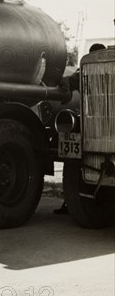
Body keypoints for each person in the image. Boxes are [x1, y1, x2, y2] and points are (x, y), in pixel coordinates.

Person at [54, 41, 106, 215]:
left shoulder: (84, 69)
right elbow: (68, 81)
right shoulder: (84, 72)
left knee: (73, 160)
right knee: (72, 156)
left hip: (93, 123)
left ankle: (70, 201)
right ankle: (71, 200)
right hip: (93, 122)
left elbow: (68, 81)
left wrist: (65, 84)